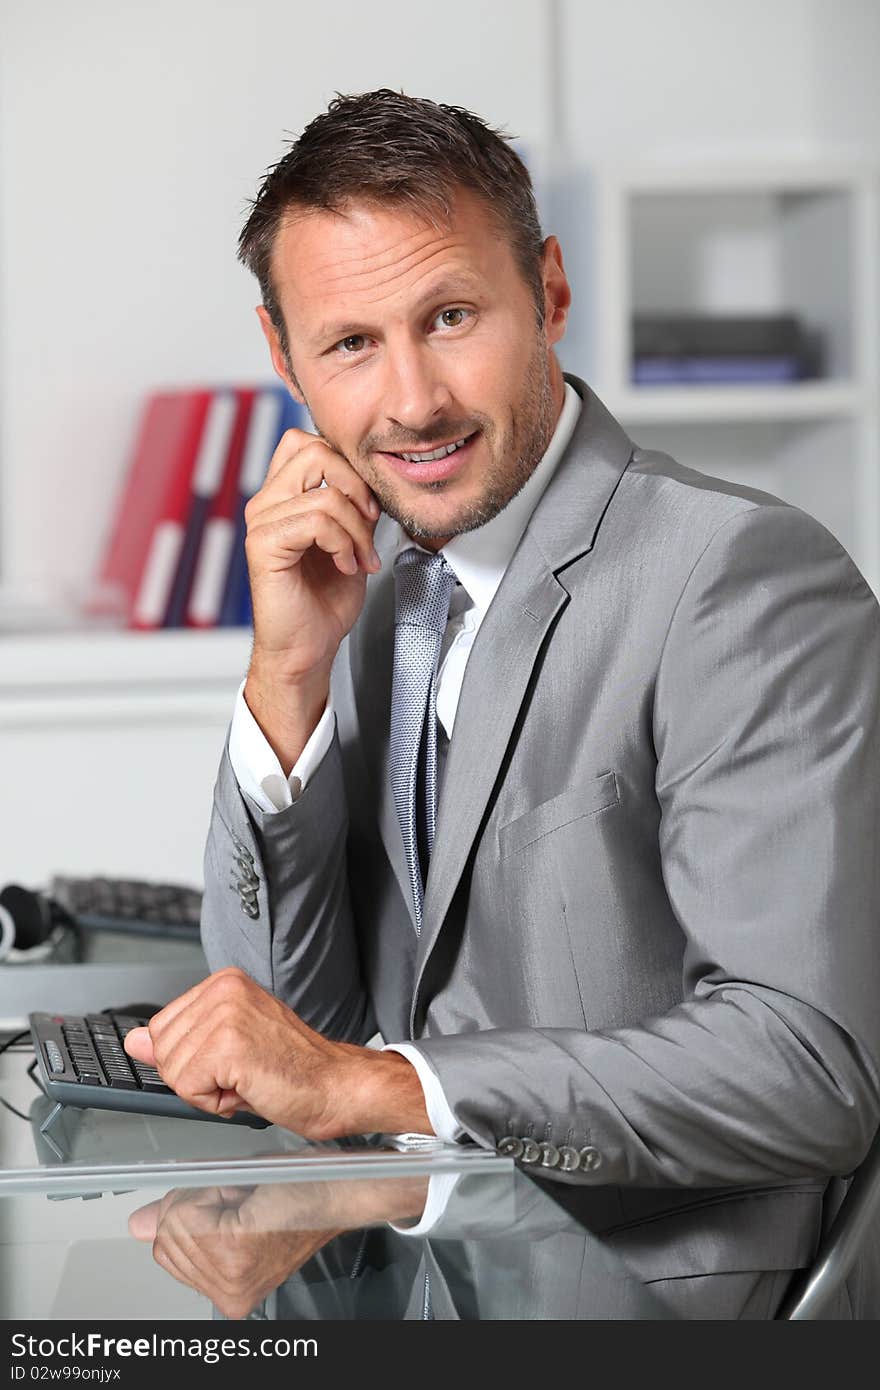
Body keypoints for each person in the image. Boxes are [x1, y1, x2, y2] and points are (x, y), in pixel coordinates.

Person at [125, 89, 880, 1318]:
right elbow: (290, 1047)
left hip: (645, 1300)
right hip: (412, 1278)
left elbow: (807, 1069)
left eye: (452, 316)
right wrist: (286, 681)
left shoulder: (737, 577)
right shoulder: (359, 584)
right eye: (351, 344)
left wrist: (384, 1088)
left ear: (550, 293)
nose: (413, 401)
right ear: (283, 356)